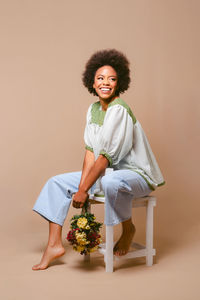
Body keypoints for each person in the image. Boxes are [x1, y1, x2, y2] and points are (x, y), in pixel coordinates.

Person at [32, 49, 165, 270]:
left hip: (136, 176)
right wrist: (82, 185)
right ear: (92, 83)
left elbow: (105, 156)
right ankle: (53, 245)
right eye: (100, 78)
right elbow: (91, 153)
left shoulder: (119, 109)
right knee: (56, 183)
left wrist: (83, 189)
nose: (106, 83)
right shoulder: (93, 110)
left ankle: (128, 227)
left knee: (111, 181)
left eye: (111, 79)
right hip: (108, 173)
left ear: (119, 82)